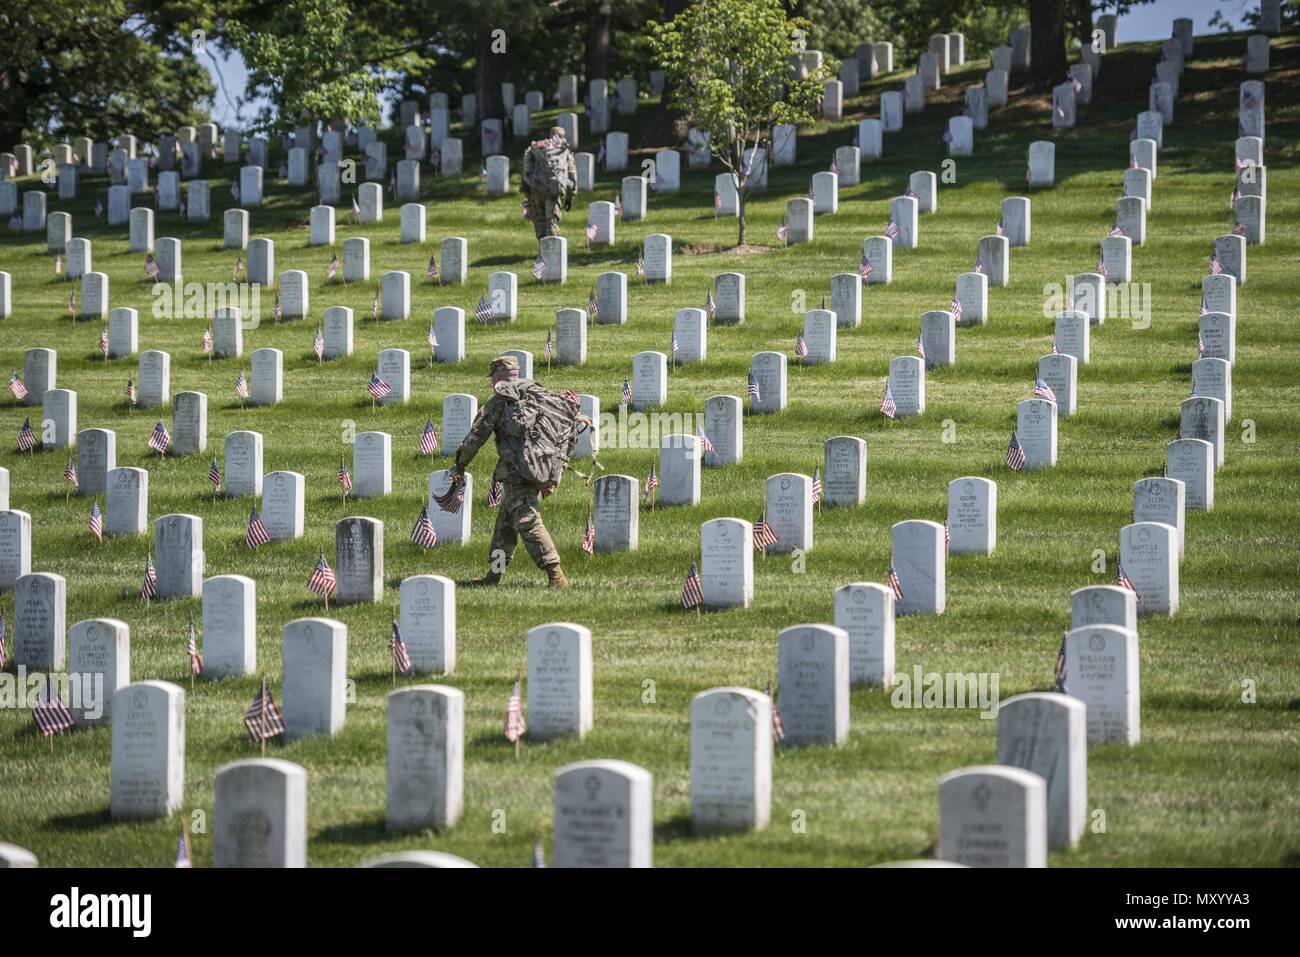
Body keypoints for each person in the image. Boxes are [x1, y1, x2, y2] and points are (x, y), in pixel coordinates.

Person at [453, 355, 569, 587]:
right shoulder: (538, 395)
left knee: (528, 521)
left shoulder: (499, 402)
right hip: (540, 469)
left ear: (497, 377)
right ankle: (494, 575)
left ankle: (556, 575)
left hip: (518, 473)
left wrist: (460, 464)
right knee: (505, 527)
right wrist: (552, 476)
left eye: (492, 378)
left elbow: (475, 439)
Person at [521, 126, 577, 242]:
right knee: (552, 220)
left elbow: (527, 167)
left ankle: (543, 248)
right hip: (554, 190)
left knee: (540, 219)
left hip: (537, 188)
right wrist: (570, 197)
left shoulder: (537, 148)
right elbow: (572, 175)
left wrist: (526, 189)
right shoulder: (564, 152)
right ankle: (552, 250)